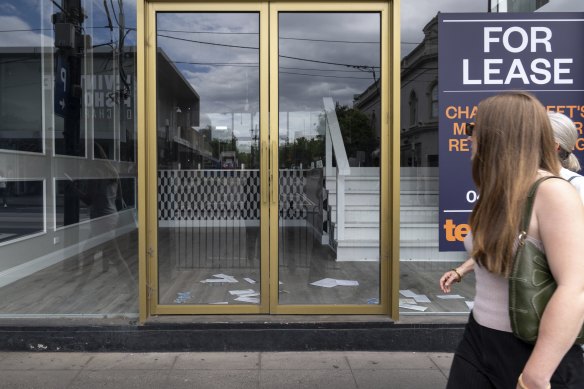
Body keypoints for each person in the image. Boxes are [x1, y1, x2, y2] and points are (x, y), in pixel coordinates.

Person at [443, 92, 584, 389]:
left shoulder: (553, 193)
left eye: (474, 129)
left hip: (531, 351)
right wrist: (462, 270)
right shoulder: (497, 190)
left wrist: (535, 376)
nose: (469, 136)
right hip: (478, 338)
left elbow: (576, 287)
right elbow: (496, 251)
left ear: (499, 135)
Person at [440, 111, 584, 292]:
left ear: (554, 146)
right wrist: (461, 270)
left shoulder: (576, 186)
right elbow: (506, 241)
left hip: (545, 299)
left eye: (531, 138)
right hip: (513, 297)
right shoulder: (520, 182)